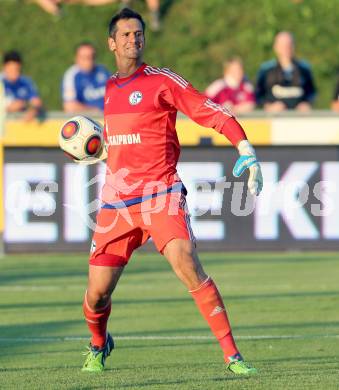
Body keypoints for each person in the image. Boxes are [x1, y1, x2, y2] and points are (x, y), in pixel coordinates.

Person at [81, 8, 263, 375]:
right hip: (117, 201)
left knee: (187, 263)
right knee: (97, 293)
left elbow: (209, 110)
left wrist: (244, 147)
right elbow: (123, 141)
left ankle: (233, 357)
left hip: (160, 193)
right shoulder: (108, 88)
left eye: (139, 33)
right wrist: (104, 150)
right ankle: (98, 345)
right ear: (111, 43)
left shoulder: (161, 81)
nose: (134, 39)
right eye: (127, 34)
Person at [255, 31, 316, 112]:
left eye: (289, 45)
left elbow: (311, 92)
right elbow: (258, 94)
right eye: (283, 45)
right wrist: (268, 106)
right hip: (274, 120)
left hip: (299, 119)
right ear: (276, 47)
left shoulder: (304, 69)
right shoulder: (266, 69)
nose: (286, 48)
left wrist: (307, 103)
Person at [61, 42, 111, 112]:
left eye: (92, 57)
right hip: (87, 119)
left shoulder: (103, 71)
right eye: (84, 57)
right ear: (76, 58)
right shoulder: (72, 75)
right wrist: (96, 111)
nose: (89, 61)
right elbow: (69, 106)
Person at [0, 51, 43, 122]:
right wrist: (6, 108)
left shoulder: (26, 82)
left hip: (21, 127)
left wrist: (31, 108)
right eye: (11, 70)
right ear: (4, 67)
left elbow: (37, 102)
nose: (14, 73)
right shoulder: (1, 83)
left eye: (16, 70)